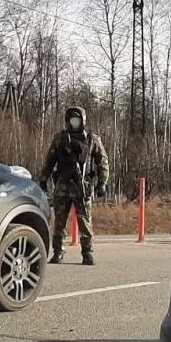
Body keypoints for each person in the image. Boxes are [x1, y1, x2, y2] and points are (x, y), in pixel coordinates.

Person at [38, 106, 110, 266]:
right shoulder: (60, 139)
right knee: (59, 222)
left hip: (82, 187)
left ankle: (87, 253)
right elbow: (50, 161)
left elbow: (102, 162)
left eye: (77, 119)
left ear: (83, 120)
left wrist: (102, 183)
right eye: (72, 120)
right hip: (63, 186)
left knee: (85, 221)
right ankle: (58, 252)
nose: (74, 122)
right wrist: (43, 179)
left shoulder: (92, 139)